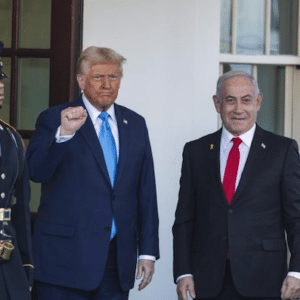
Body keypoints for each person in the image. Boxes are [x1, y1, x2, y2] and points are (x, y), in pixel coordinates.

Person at [26, 46, 159, 300]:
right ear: (81, 81)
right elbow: (36, 171)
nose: (107, 84)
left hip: (116, 259)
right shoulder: (55, 118)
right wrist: (63, 134)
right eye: (98, 77)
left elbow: (146, 191)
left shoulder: (135, 123)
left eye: (113, 77)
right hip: (63, 262)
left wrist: (147, 252)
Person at [173, 70, 300, 300]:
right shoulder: (196, 152)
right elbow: (184, 220)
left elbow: (296, 218)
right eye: (230, 100)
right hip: (209, 280)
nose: (238, 109)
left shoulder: (282, 150)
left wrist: (297, 270)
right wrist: (183, 272)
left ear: (258, 102)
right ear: (217, 103)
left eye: (246, 100)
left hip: (266, 279)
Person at [0, 41, 33, 299]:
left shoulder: (10, 137)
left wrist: (26, 264)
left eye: (1, 79)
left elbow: (19, 208)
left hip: (7, 261)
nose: (1, 86)